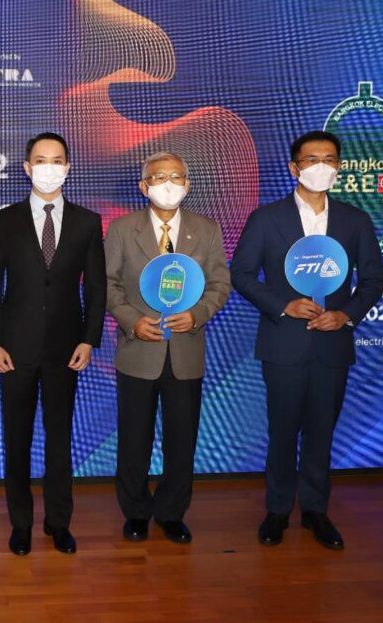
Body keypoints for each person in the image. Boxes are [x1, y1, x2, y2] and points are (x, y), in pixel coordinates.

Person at [230, 130, 383, 551]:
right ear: (294, 167)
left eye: (329, 159)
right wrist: (283, 305)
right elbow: (241, 274)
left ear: (339, 167)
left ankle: (316, 511)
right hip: (284, 343)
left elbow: (374, 279)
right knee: (282, 432)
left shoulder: (355, 220)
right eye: (312, 159)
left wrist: (346, 314)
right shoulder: (266, 218)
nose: (321, 166)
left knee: (321, 433)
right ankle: (278, 511)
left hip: (332, 346)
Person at [0, 132, 107, 556]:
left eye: (57, 160)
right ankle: (20, 525)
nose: (48, 167)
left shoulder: (87, 222)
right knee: (16, 440)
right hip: (14, 350)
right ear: (27, 167)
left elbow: (97, 288)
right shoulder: (4, 221)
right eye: (40, 160)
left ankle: (59, 522)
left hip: (66, 349)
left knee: (59, 439)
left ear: (68, 168)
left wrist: (89, 339)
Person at [105, 151, 231, 545]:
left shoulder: (206, 230)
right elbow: (107, 284)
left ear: (188, 185)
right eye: (159, 177)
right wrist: (132, 320)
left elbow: (219, 284)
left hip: (186, 351)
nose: (169, 184)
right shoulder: (121, 230)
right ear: (144, 186)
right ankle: (136, 512)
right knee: (134, 438)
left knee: (182, 439)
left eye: (176, 177)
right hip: (138, 351)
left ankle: (172, 512)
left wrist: (198, 315)